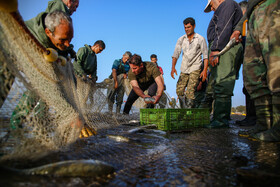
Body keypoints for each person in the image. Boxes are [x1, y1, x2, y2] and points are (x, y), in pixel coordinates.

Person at [10, 11, 95, 137]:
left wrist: (76, 115)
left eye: (70, 39)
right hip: (8, 54)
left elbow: (63, 86)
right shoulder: (35, 41)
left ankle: (39, 127)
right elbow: (46, 83)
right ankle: (15, 131)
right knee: (37, 89)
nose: (67, 44)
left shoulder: (58, 44)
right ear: (48, 32)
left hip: (40, 70)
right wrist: (70, 115)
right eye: (63, 40)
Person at [231, 0, 280, 141]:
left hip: (272, 7)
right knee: (252, 74)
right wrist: (239, 27)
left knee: (276, 70)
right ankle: (264, 124)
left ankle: (277, 126)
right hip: (252, 16)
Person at [204, 0, 243, 128]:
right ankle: (219, 118)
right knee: (218, 83)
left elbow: (223, 26)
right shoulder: (224, 7)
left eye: (211, 6)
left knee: (223, 83)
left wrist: (215, 48)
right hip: (221, 46)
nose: (212, 9)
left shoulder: (227, 5)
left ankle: (220, 121)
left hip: (223, 47)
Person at [171, 17, 208, 109]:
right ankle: (184, 110)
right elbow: (176, 54)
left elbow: (205, 56)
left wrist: (204, 71)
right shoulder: (181, 39)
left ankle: (189, 113)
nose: (187, 29)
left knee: (190, 91)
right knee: (179, 90)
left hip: (195, 68)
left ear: (194, 26)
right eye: (185, 27)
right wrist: (173, 67)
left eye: (189, 27)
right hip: (184, 68)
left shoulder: (200, 39)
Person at [234, 0, 257, 127]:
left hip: (254, 60)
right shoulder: (244, 26)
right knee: (246, 88)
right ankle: (250, 117)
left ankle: (254, 118)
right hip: (247, 60)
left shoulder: (250, 21)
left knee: (252, 87)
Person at [73, 40, 105, 109]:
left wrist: (94, 77)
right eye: (100, 50)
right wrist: (82, 73)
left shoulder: (94, 56)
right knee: (78, 96)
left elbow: (94, 69)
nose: (100, 52)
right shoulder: (83, 50)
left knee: (85, 97)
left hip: (85, 79)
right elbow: (76, 63)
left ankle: (82, 112)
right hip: (75, 76)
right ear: (96, 46)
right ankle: (77, 112)